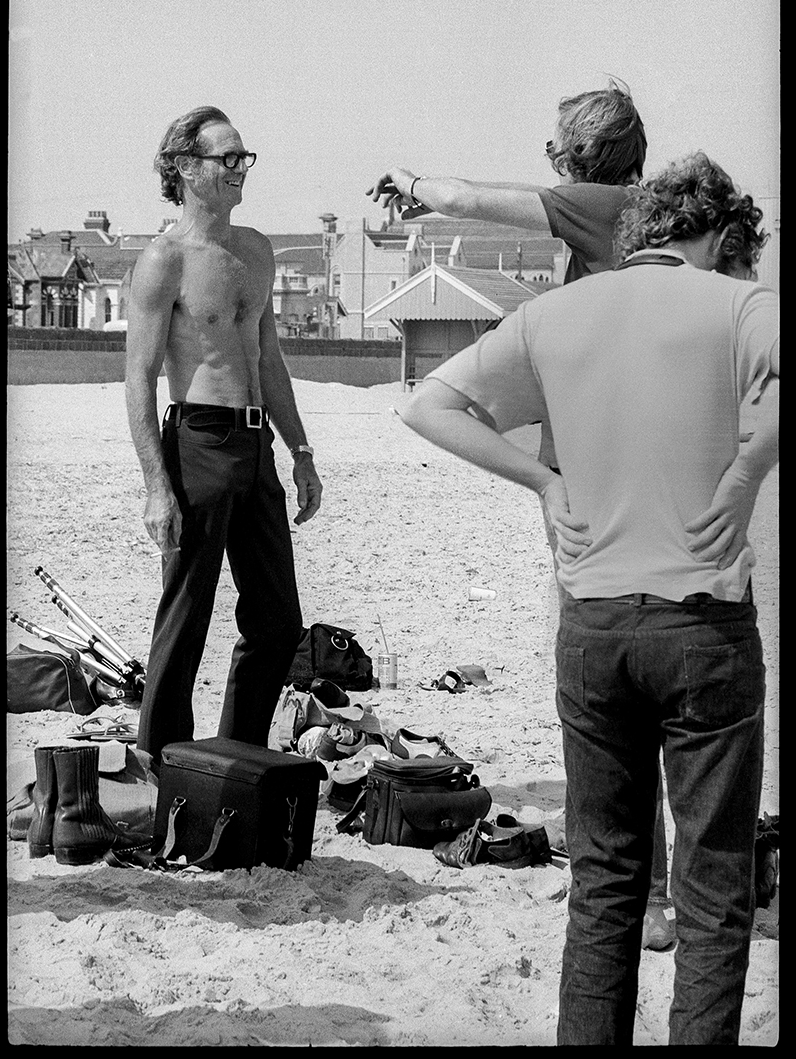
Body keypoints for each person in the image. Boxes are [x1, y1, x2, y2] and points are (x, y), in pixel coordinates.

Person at [394, 152, 778, 1046]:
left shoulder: (553, 313)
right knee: (713, 888)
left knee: (604, 885)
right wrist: (745, 475)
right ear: (718, 234)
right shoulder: (737, 306)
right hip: (702, 623)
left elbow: (425, 406)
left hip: (593, 622)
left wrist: (543, 481)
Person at [367, 77, 677, 948]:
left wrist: (411, 184)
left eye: (553, 146)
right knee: (651, 692)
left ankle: (632, 896)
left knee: (599, 698)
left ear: (578, 156)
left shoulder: (600, 207)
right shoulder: (660, 227)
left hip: (589, 482)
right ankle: (649, 888)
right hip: (659, 478)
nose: (547, 160)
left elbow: (473, 198)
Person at [125, 105, 322, 777]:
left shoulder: (255, 250)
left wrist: (300, 451)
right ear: (184, 167)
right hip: (198, 442)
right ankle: (160, 766)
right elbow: (138, 379)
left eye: (245, 157)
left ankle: (235, 760)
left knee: (277, 622)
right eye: (227, 157)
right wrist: (156, 487)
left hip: (256, 445)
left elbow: (270, 359)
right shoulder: (164, 260)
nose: (241, 168)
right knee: (185, 618)